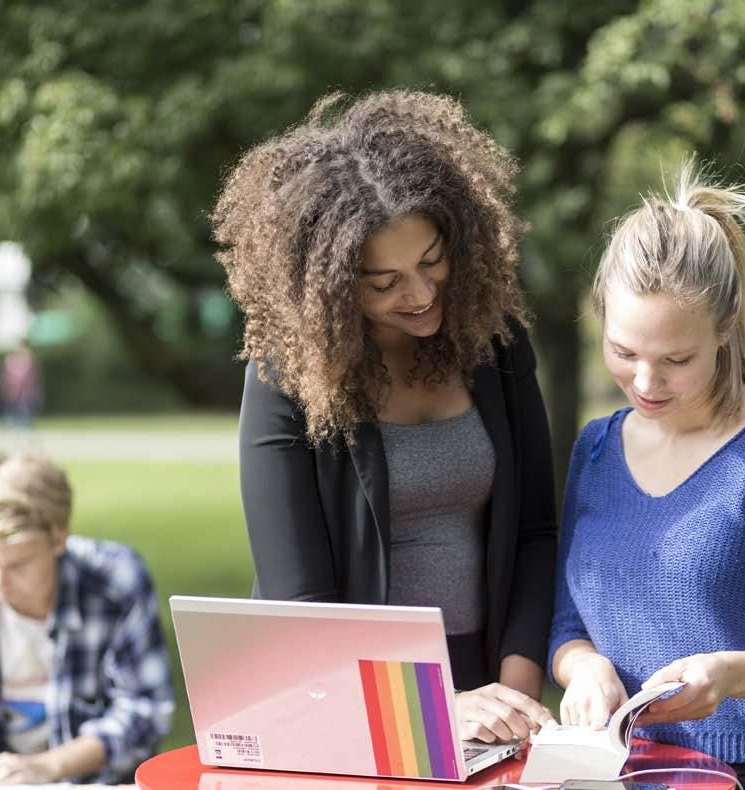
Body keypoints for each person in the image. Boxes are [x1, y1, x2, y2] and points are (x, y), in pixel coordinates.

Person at [212, 90, 557, 744]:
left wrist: (515, 695)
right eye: (384, 282)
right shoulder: (284, 376)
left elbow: (536, 530)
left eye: (432, 262)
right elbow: (298, 603)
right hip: (338, 695)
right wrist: (433, 711)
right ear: (332, 283)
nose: (422, 294)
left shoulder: (496, 341)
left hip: (489, 686)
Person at [549, 163, 745, 790]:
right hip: (605, 772)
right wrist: (583, 668)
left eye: (675, 359)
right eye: (624, 352)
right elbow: (568, 628)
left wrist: (727, 675)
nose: (645, 382)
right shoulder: (594, 449)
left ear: (725, 326)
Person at [0, 453, 174, 785]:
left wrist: (48, 766)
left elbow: (144, 711)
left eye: (17, 565)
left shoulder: (116, 582)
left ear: (60, 537)